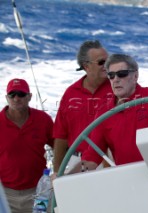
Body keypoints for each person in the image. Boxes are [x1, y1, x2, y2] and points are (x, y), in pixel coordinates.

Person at [52, 40, 112, 177]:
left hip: (110, 161)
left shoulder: (118, 88)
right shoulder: (70, 94)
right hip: (78, 162)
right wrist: (57, 172)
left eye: (109, 61)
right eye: (102, 62)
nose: (107, 66)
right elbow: (60, 136)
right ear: (86, 66)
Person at [0, 78, 53, 213]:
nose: (16, 98)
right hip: (5, 193)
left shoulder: (43, 119)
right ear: (7, 97)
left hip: (38, 191)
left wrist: (57, 173)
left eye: (21, 94)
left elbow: (59, 147)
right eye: (12, 94)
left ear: (29, 97)